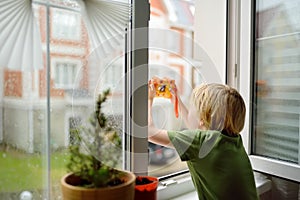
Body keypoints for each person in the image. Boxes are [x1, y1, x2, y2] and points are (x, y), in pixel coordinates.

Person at [148, 77, 259, 200]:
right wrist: (176, 99)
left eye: (192, 109)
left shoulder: (200, 141)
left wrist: (149, 99)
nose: (190, 112)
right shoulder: (233, 140)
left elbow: (150, 132)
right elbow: (195, 126)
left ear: (202, 119)